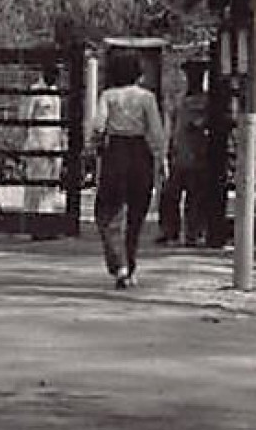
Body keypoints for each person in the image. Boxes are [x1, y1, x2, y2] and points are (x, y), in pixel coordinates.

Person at [88, 51, 167, 289]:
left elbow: (98, 125)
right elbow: (156, 131)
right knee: (136, 212)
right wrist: (161, 158)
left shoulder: (108, 96)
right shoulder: (147, 98)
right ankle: (130, 264)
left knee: (109, 210)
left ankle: (119, 263)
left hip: (116, 152)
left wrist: (92, 148)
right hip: (140, 152)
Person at [158, 60, 212, 246]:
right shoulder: (180, 100)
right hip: (179, 154)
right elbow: (172, 126)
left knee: (195, 196)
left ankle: (193, 232)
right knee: (170, 195)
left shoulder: (207, 102)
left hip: (197, 155)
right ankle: (170, 230)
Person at [20, 64, 64, 234]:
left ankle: (47, 221)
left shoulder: (56, 92)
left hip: (54, 143)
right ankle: (31, 221)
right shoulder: (35, 91)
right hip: (39, 142)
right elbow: (26, 116)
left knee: (51, 185)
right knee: (36, 183)